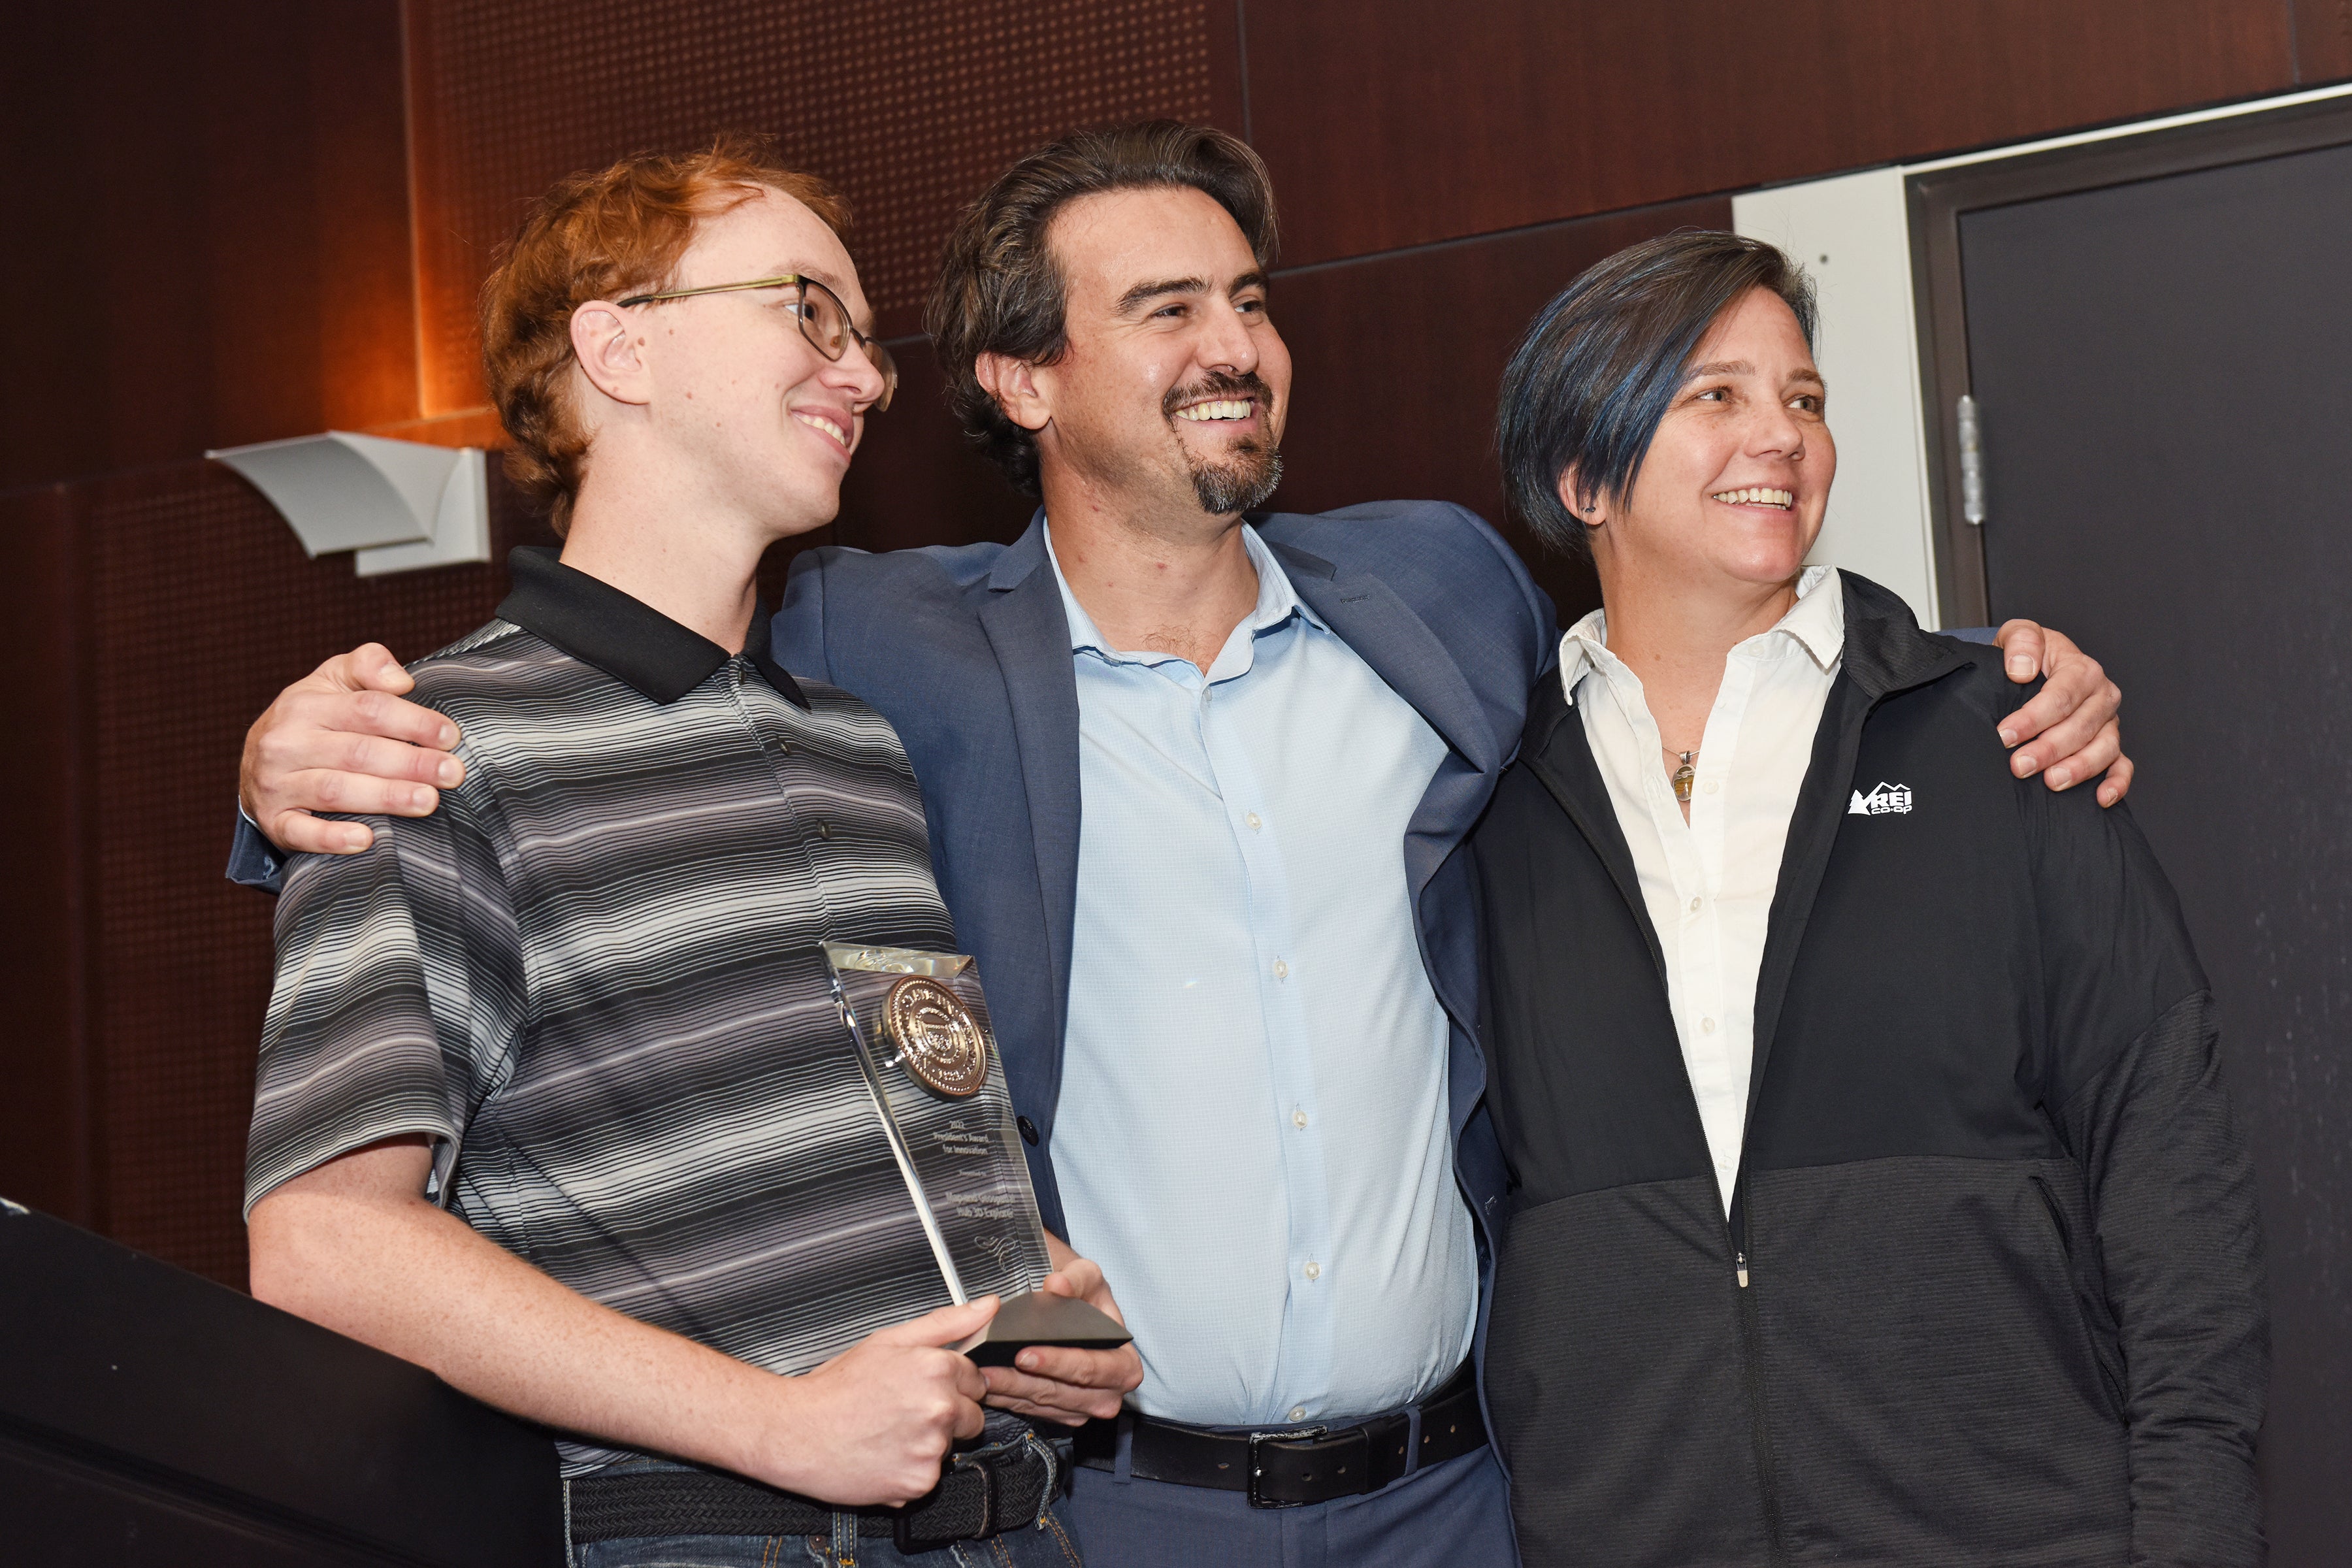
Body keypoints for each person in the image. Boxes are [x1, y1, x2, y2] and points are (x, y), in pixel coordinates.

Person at [229, 124, 2131, 1565]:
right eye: (1166, 310)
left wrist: (1969, 686)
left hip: (1457, 1492)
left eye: (1251, 301)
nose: (1237, 344)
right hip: (1114, 1514)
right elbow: (549, 759)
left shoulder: (1438, 592)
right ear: (1020, 379)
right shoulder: (876, 659)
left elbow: (1680, 674)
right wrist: (279, 777)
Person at [240, 137, 1140, 1567]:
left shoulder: (854, 747)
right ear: (620, 349)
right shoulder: (424, 746)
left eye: (865, 343)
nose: (861, 374)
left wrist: (1035, 1311)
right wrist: (773, 1422)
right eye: (809, 311)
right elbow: (325, 1247)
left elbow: (922, 1157)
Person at [1470, 231, 2266, 1567]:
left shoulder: (2001, 733)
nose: (1780, 435)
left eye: (1805, 398)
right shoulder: (1488, 795)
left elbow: (2169, 1160)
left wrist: (2196, 1532)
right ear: (1581, 473)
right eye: (1713, 394)